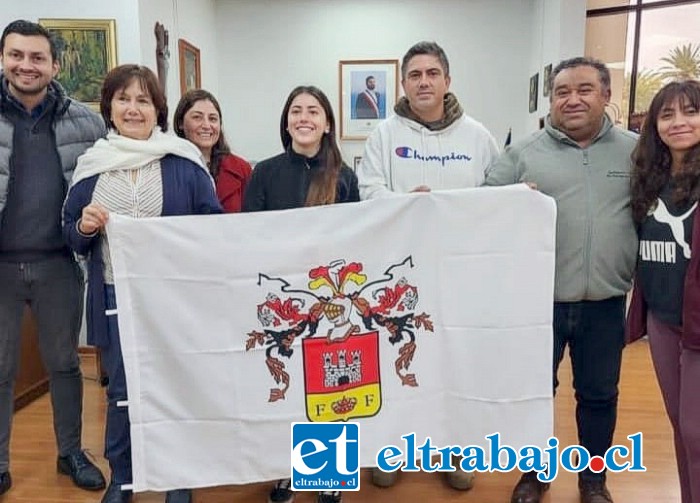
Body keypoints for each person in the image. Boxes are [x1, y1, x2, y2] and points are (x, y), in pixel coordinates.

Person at [62, 64, 222, 503]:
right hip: (115, 297)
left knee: (177, 387)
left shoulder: (183, 164)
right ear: (109, 107)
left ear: (158, 109)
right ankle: (124, 478)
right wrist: (86, 226)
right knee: (122, 393)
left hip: (173, 301)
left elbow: (214, 228)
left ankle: (178, 479)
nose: (133, 108)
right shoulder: (92, 167)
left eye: (143, 100)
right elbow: (70, 236)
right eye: (124, 99)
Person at [484, 57, 638, 503]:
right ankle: (535, 473)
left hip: (606, 302)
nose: (572, 99)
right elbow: (481, 208)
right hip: (537, 303)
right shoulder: (522, 153)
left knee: (598, 395)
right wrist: (511, 203)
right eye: (562, 91)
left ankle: (594, 480)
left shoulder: (634, 151)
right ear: (551, 100)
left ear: (607, 95)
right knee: (535, 394)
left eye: (585, 89)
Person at [355, 40, 498, 492]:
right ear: (403, 83)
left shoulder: (477, 136)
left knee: (455, 362)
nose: (423, 82)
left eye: (432, 74)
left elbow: (496, 194)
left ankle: (453, 448)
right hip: (401, 274)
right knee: (401, 357)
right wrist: (405, 205)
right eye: (414, 75)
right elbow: (368, 191)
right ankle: (393, 448)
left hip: (460, 273)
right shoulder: (384, 134)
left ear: (447, 81)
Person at [0, 19, 106, 496]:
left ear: (55, 65)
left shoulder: (87, 122)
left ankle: (70, 453)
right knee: (0, 368)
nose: (26, 65)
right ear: (3, 59)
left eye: (37, 57)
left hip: (60, 264)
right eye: (16, 55)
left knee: (64, 362)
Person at [242, 85, 359, 503]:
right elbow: (248, 236)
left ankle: (329, 474)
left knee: (333, 387)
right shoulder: (265, 173)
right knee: (285, 387)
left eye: (313, 111)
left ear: (327, 123)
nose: (304, 117)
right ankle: (285, 471)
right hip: (280, 301)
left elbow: (357, 241)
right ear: (286, 120)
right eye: (296, 110)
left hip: (330, 303)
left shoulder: (344, 177)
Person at [627, 79, 700, 503]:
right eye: (667, 114)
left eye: (690, 112)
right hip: (662, 320)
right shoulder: (648, 179)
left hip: (697, 325)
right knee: (681, 426)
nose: (678, 123)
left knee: (696, 430)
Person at [174, 88, 252, 212]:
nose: (206, 125)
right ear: (180, 123)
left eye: (213, 119)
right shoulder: (169, 168)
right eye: (197, 117)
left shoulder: (241, 169)